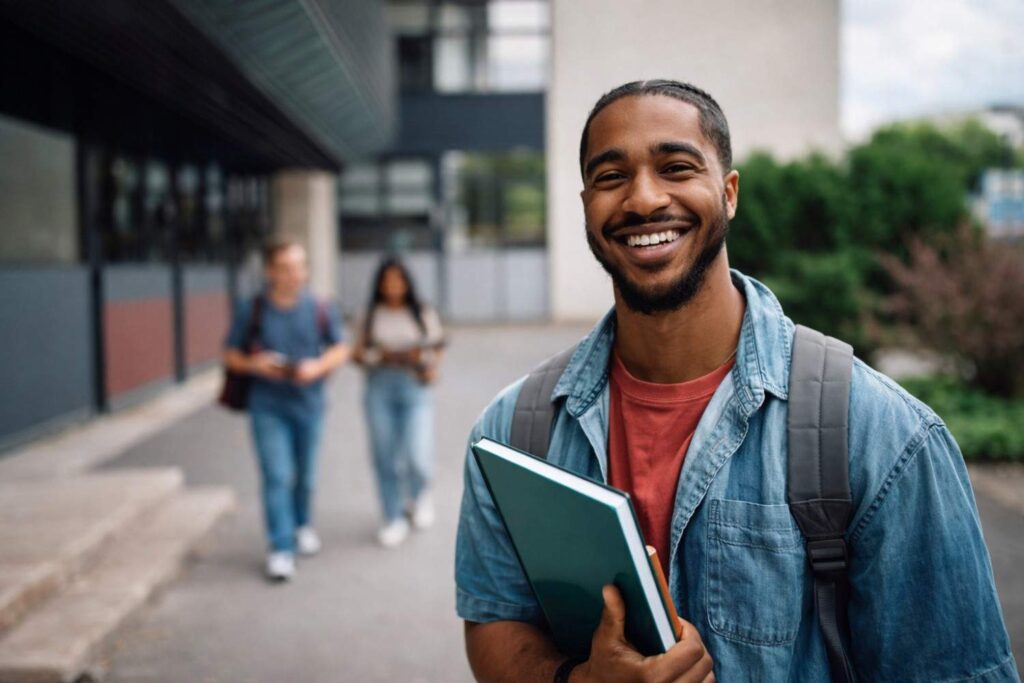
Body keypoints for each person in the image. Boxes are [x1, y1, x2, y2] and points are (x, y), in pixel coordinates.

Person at [454, 80, 1019, 682]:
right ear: (586, 202)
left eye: (675, 166)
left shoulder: (884, 436)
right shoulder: (513, 430)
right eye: (611, 176)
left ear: (728, 193)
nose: (643, 199)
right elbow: (493, 621)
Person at [224, 239, 349, 581]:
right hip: (267, 406)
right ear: (270, 272)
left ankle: (302, 524)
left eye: (299, 266)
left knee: (305, 476)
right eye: (285, 267)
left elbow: (340, 349)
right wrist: (254, 364)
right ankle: (280, 547)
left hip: (310, 405)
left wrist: (318, 367)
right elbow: (229, 355)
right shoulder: (252, 309)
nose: (293, 274)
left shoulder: (321, 307)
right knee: (277, 476)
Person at [353, 256, 445, 548]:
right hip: (379, 387)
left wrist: (428, 363)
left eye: (398, 279)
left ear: (407, 282)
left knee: (418, 454)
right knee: (384, 455)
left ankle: (419, 495)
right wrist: (377, 356)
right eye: (387, 280)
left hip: (414, 387)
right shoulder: (369, 314)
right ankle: (393, 516)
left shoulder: (421, 312)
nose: (393, 286)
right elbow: (355, 353)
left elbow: (437, 346)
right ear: (379, 284)